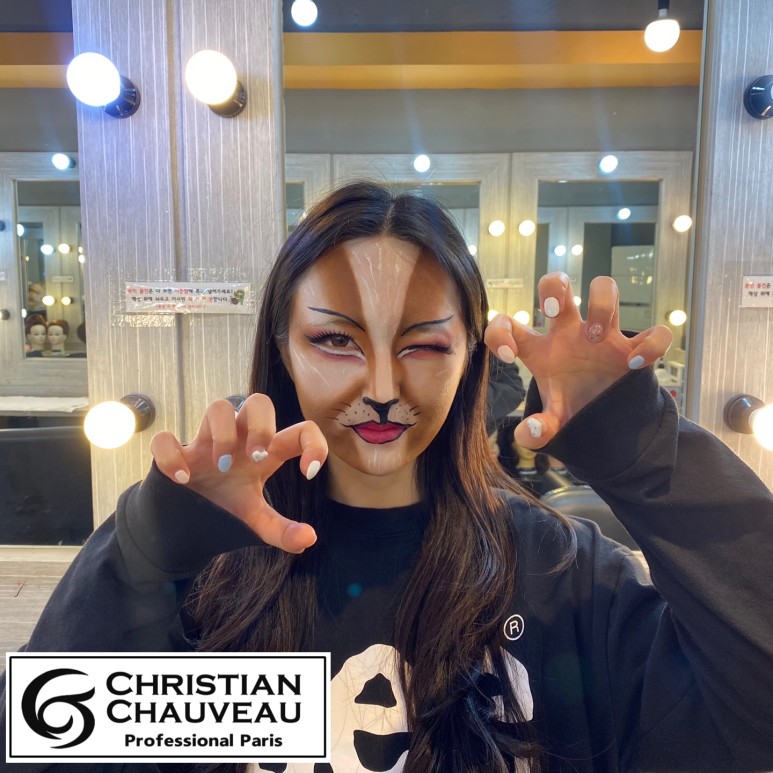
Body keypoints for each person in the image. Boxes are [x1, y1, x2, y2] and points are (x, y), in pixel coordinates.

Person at [1, 181, 772, 773]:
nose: (379, 387)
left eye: (423, 345)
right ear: (282, 347)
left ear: (469, 356)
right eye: (335, 340)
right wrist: (139, 553)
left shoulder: (557, 577)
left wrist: (645, 453)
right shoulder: (211, 579)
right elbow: (48, 742)